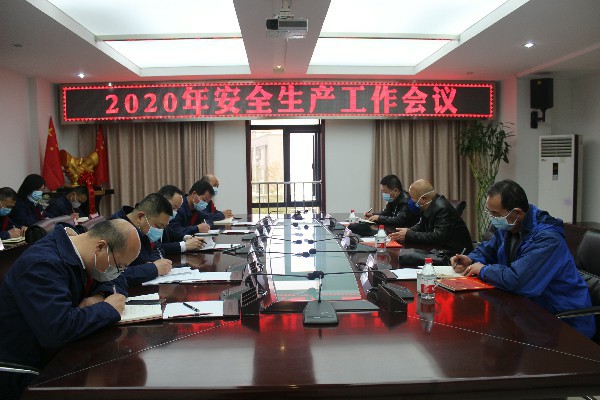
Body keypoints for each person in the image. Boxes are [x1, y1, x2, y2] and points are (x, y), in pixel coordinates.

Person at [0, 219, 141, 400]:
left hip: (58, 353)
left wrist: (100, 296)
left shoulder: (83, 253)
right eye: (119, 266)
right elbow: (57, 329)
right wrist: (107, 309)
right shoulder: (41, 264)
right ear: (100, 247)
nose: (118, 272)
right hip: (23, 370)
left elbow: (118, 280)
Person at [451, 179, 595, 338]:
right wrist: (470, 259)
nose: (492, 219)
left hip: (563, 322)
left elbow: (517, 280)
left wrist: (484, 270)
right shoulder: (510, 226)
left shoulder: (547, 239)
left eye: (496, 214)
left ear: (517, 213)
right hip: (529, 310)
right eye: (490, 213)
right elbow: (488, 250)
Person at [389, 179, 473, 254]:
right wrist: (408, 231)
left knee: (406, 257)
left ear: (423, 199)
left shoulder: (442, 208)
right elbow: (421, 225)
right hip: (439, 249)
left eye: (413, 198)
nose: (411, 201)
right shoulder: (428, 204)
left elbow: (438, 237)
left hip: (455, 254)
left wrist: (409, 235)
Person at [109, 193, 173, 286]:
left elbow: (157, 248)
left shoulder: (143, 228)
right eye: (159, 226)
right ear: (140, 217)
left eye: (163, 227)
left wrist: (152, 263)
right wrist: (152, 269)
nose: (160, 231)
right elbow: (112, 275)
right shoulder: (114, 231)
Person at [157, 185, 204, 255]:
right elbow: (156, 249)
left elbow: (170, 233)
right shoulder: (150, 221)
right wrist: (184, 245)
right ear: (161, 202)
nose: (175, 212)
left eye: (178, 209)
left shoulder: (164, 220)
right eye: (173, 207)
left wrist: (186, 237)